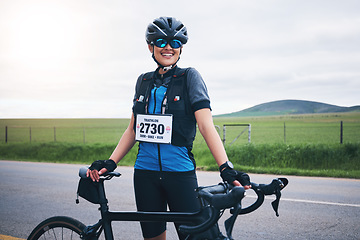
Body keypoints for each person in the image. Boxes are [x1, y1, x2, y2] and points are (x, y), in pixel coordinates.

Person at [87, 16, 251, 240]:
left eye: (175, 43)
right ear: (150, 46)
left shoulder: (189, 77)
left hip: (179, 174)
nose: (168, 48)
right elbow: (133, 130)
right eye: (161, 41)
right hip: (145, 175)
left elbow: (206, 125)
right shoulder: (143, 81)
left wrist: (225, 167)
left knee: (196, 237)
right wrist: (111, 161)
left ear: (181, 48)